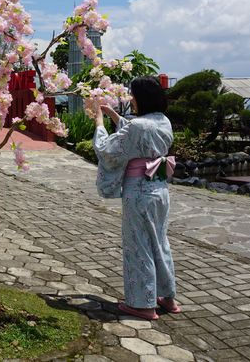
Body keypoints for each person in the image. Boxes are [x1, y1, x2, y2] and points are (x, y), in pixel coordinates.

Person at [92, 76, 181, 321]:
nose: (131, 98)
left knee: (138, 244)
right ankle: (167, 297)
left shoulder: (138, 126)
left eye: (132, 94)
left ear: (140, 98)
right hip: (160, 188)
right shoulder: (163, 121)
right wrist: (113, 115)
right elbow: (138, 135)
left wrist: (100, 124)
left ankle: (143, 304)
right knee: (159, 242)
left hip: (139, 191)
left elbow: (107, 149)